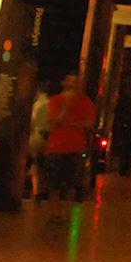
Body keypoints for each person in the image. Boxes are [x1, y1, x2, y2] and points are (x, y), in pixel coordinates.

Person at [43, 74, 98, 202]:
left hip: (76, 148)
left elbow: (89, 124)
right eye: (70, 82)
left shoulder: (86, 102)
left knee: (72, 184)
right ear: (64, 84)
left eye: (75, 83)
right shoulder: (56, 101)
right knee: (54, 185)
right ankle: (56, 212)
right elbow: (53, 122)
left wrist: (68, 123)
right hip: (56, 148)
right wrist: (66, 107)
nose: (72, 85)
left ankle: (66, 212)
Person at [26, 86, 50, 199]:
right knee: (44, 165)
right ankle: (44, 188)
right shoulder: (51, 104)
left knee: (36, 163)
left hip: (37, 137)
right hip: (49, 138)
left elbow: (32, 122)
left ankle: (36, 189)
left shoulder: (36, 106)